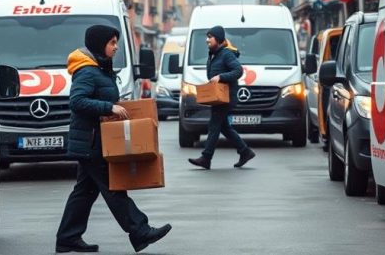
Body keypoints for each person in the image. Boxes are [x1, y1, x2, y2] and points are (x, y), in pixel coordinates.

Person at [56, 25, 171, 254]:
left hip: (96, 140)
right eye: (112, 43)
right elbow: (77, 102)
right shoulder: (87, 71)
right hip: (91, 142)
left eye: (116, 42)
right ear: (100, 44)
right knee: (112, 187)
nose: (116, 47)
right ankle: (140, 230)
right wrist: (109, 107)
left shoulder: (100, 69)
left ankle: (67, 238)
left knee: (85, 191)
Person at [188, 25, 256, 170]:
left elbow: (238, 71)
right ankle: (245, 152)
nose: (207, 40)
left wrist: (220, 77)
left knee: (214, 125)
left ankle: (206, 158)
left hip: (226, 97)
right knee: (223, 127)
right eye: (207, 37)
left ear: (218, 39)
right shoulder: (214, 54)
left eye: (210, 37)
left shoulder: (226, 54)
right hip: (219, 97)